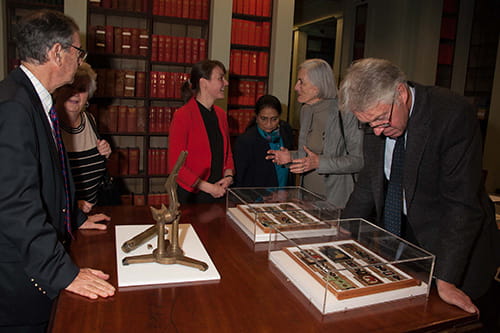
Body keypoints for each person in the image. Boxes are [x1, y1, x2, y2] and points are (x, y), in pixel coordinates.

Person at [338, 58, 499, 330]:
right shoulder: (375, 118)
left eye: (380, 120)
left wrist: (446, 279)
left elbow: (461, 205)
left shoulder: (451, 113)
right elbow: (369, 181)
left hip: (454, 248)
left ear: (400, 93)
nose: (376, 132)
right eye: (368, 124)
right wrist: (343, 228)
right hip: (405, 245)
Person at [0, 10, 115, 332]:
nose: (80, 60)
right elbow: (14, 204)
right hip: (19, 278)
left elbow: (44, 178)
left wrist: (75, 218)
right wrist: (65, 273)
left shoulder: (33, 100)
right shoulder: (13, 107)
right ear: (56, 52)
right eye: (78, 52)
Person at [267, 59, 364, 208]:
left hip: (337, 203)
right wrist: (290, 157)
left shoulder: (345, 112)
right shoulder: (305, 111)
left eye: (301, 82)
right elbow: (307, 155)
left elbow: (358, 160)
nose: (295, 87)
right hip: (306, 200)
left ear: (317, 87)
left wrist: (320, 163)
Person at [168, 59, 234, 204]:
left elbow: (227, 153)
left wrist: (229, 176)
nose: (226, 83)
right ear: (204, 83)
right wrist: (209, 188)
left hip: (219, 192)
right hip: (192, 196)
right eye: (220, 78)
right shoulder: (183, 115)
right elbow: (175, 166)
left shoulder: (221, 115)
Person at [53, 63, 112, 213]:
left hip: (94, 211)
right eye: (70, 87)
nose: (75, 94)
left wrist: (106, 154)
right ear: (58, 90)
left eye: (82, 89)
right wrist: (72, 204)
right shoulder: (49, 124)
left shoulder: (90, 120)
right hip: (64, 215)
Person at [234, 95, 294, 187]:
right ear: (256, 117)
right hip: (260, 196)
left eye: (274, 119)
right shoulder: (245, 140)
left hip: (285, 193)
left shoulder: (286, 131)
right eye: (264, 119)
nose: (269, 125)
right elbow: (241, 179)